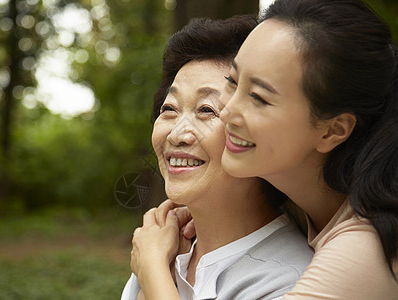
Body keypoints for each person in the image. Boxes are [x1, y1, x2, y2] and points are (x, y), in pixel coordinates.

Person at [133, 0, 398, 299]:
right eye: (233, 82)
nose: (227, 111)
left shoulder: (365, 249)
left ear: (333, 130)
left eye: (258, 97)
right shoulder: (307, 207)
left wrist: (152, 267)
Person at [121, 15, 314, 300]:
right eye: (169, 109)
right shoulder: (162, 248)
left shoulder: (289, 281)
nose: (176, 134)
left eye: (207, 110)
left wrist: (152, 273)